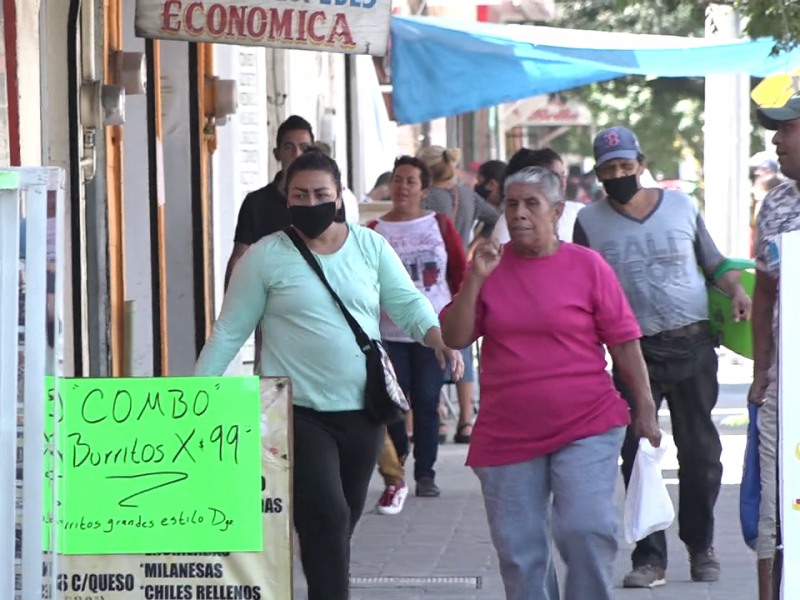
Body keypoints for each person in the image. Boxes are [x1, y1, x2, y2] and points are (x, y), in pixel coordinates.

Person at [195, 148, 460, 600]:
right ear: (287, 200)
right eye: (300, 194)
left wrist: (436, 336)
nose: (311, 201)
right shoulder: (264, 257)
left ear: (339, 198)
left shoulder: (370, 246)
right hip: (293, 414)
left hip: (363, 413)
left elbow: (407, 302)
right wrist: (194, 397)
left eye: (321, 193)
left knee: (339, 527)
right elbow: (228, 332)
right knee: (329, 518)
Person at [441, 166, 660, 600]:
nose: (519, 213)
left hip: (587, 422)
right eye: (511, 203)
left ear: (557, 212)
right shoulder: (490, 266)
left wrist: (647, 409)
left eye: (531, 204)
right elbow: (455, 336)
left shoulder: (588, 266)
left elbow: (623, 342)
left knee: (585, 529)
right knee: (520, 553)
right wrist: (476, 279)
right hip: (508, 431)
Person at [573, 125, 752, 589]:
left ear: (641, 163)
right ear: (598, 173)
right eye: (609, 169)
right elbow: (582, 288)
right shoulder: (589, 222)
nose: (619, 175)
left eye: (626, 166)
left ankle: (701, 546)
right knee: (637, 456)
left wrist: (736, 291)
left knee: (701, 454)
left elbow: (713, 264)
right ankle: (649, 558)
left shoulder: (681, 206)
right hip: (634, 354)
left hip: (693, 345)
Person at [369, 156, 466, 510]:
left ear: (424, 190)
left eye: (411, 181)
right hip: (388, 333)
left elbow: (458, 273)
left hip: (431, 333)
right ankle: (399, 467)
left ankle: (426, 474)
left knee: (427, 401)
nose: (402, 187)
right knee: (394, 404)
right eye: (397, 179)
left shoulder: (438, 225)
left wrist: (457, 323)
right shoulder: (375, 229)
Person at [417, 145, 502, 444]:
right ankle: (466, 420)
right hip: (462, 269)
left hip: (432, 272)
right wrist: (474, 245)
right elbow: (494, 215)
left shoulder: (427, 197)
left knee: (434, 343)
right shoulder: (466, 193)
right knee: (462, 343)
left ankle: (438, 417)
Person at [750, 93, 800, 600]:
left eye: (788, 129)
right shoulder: (776, 203)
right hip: (788, 377)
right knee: (777, 498)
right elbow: (765, 294)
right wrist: (762, 372)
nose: (776, 139)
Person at [225, 115, 314, 372]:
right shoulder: (257, 203)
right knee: (271, 386)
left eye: (305, 148)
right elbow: (240, 256)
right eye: (289, 146)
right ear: (276, 152)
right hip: (271, 306)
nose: (297, 154)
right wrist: (233, 309)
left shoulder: (324, 201)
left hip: (316, 307)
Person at [491, 148, 584, 244]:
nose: (563, 183)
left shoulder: (579, 213)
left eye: (564, 176)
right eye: (555, 177)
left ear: (558, 211)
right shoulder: (508, 226)